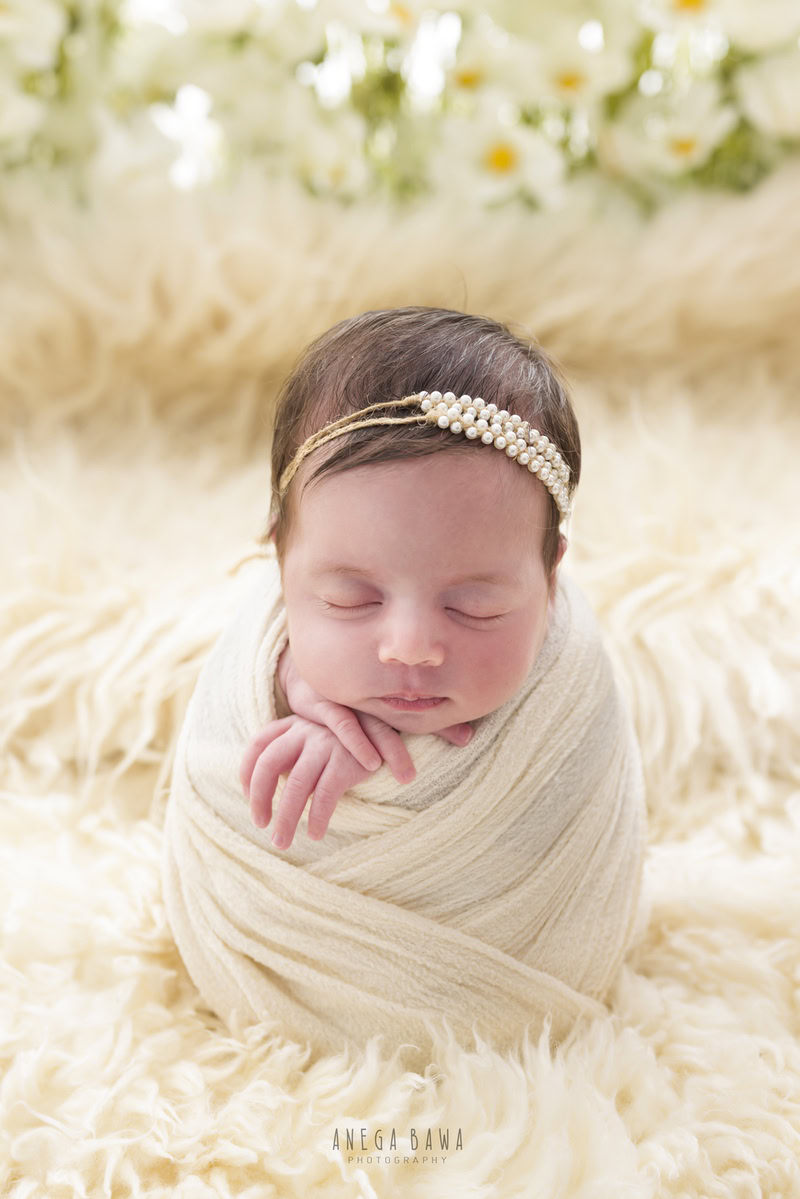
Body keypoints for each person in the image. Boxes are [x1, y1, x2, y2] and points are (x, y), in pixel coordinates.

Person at [240, 305, 577, 851]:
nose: (411, 648)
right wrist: (283, 682)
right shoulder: (264, 642)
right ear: (280, 565)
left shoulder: (571, 692)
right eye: (349, 599)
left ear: (551, 580)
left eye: (476, 607)